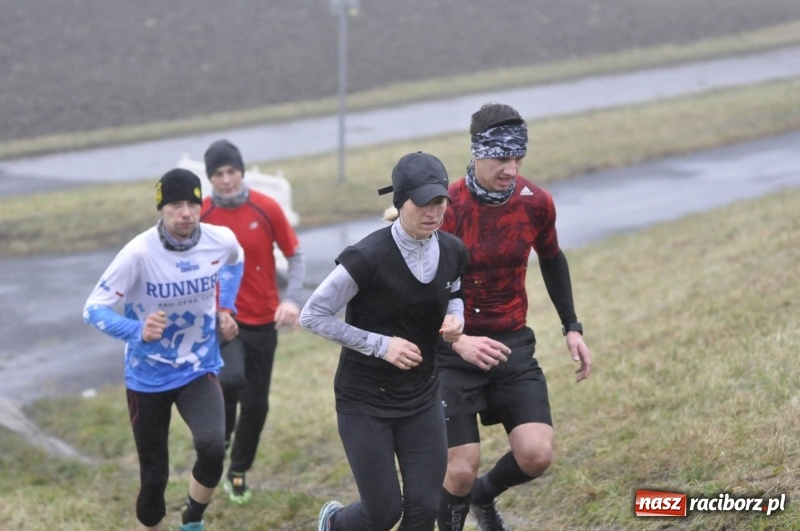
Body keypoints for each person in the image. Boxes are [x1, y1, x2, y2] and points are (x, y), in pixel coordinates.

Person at [435, 102, 593, 531]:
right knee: (460, 469)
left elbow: (553, 259)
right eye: (501, 157)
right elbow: (421, 290)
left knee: (536, 454)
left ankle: (483, 501)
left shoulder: (535, 203)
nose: (512, 168)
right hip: (452, 349)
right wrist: (456, 339)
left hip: (510, 342)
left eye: (518, 157)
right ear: (477, 153)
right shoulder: (444, 207)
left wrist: (572, 327)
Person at [300, 152, 469, 531]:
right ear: (400, 201)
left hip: (422, 397)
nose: (433, 211)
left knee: (424, 509)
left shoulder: (454, 251)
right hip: (365, 401)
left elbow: (455, 291)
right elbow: (312, 315)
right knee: (383, 512)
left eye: (440, 201)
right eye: (422, 202)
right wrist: (381, 345)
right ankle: (333, 524)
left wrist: (456, 318)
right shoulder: (367, 257)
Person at [83, 168, 244, 531]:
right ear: (161, 209)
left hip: (198, 368)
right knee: (154, 478)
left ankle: (192, 519)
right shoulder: (138, 253)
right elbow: (92, 309)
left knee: (212, 447)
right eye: (174, 204)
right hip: (147, 377)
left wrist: (225, 308)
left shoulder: (221, 240)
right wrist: (136, 330)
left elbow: (236, 261)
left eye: (191, 202)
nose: (185, 212)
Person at [199, 139, 306, 504]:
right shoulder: (200, 213)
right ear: (210, 177)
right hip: (223, 321)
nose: (226, 180)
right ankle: (221, 436)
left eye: (231, 171)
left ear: (241, 172)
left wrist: (291, 300)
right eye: (218, 174)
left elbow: (296, 255)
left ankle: (238, 470)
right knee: (230, 380)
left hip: (263, 320)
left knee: (257, 404)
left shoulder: (266, 207)